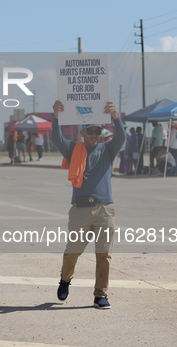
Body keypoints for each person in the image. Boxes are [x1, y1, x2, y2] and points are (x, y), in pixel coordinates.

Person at [51, 100, 125, 310]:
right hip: (81, 210)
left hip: (104, 208)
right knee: (72, 251)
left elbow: (121, 137)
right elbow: (56, 138)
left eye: (98, 131)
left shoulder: (108, 149)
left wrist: (115, 116)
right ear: (82, 133)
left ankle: (100, 294)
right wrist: (56, 116)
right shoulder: (73, 149)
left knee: (104, 255)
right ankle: (65, 280)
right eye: (91, 131)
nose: (95, 135)